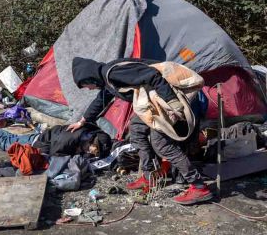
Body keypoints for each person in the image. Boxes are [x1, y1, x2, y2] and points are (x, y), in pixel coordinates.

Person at [67, 57, 213, 205]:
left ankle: (199, 186)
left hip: (167, 100)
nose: (89, 88)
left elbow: (152, 75)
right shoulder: (107, 79)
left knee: (161, 144)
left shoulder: (114, 72)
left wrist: (172, 102)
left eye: (86, 85)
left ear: (90, 77)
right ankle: (150, 176)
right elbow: (101, 99)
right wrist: (83, 120)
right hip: (152, 102)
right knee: (136, 129)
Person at [0, 124, 111, 158]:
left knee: (12, 138)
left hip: (43, 137)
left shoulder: (86, 133)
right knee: (7, 143)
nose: (94, 154)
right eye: (96, 151)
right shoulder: (69, 140)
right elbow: (54, 153)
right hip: (38, 144)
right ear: (94, 143)